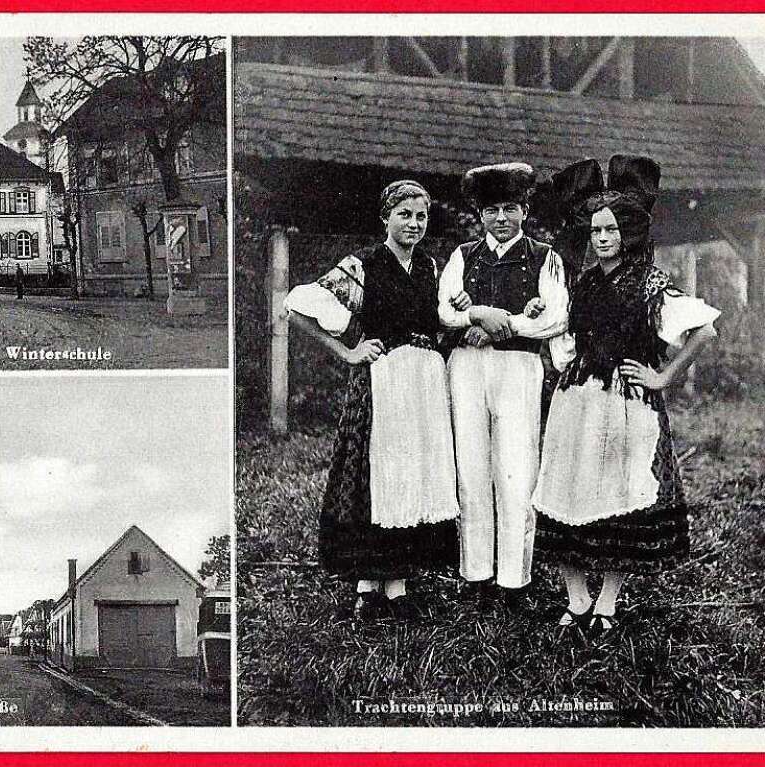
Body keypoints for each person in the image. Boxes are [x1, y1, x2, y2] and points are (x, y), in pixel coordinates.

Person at [532, 155, 719, 632]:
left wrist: (664, 375)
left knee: (619, 500)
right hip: (577, 402)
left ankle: (607, 603)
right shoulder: (584, 282)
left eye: (611, 230)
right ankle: (576, 599)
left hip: (626, 406)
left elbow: (704, 330)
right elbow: (563, 335)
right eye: (596, 230)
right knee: (566, 494)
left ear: (630, 232)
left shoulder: (651, 284)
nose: (602, 238)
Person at [285, 180, 462, 620]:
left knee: (410, 477)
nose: (414, 224)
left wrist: (460, 308)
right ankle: (367, 586)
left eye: (421, 216)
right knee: (373, 478)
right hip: (380, 382)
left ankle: (398, 584)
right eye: (405, 214)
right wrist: (348, 351)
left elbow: (441, 323)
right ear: (386, 217)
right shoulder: (361, 265)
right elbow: (297, 310)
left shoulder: (429, 268)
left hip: (422, 383)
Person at [437, 162, 569, 598]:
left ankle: (514, 577)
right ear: (480, 214)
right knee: (471, 467)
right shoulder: (463, 255)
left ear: (525, 211)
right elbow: (445, 311)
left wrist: (503, 324)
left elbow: (554, 316)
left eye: (510, 208)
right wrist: (476, 315)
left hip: (517, 367)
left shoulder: (544, 257)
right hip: (467, 365)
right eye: (492, 210)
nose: (501, 219)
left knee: (515, 468)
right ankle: (475, 573)